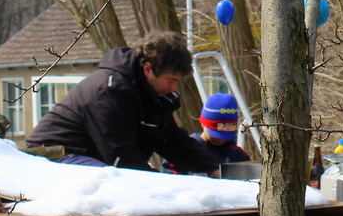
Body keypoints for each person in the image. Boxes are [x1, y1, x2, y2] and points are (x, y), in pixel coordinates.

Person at [26, 32, 221, 174]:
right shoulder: (110, 92)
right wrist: (160, 184)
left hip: (94, 157)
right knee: (110, 180)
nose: (173, 88)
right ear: (147, 69)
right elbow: (120, 156)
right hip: (54, 155)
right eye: (170, 80)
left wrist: (213, 168)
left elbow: (171, 141)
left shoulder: (152, 95)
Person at [195, 92, 253, 165]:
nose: (221, 139)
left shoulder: (237, 155)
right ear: (203, 124)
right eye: (216, 133)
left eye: (226, 134)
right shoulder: (189, 151)